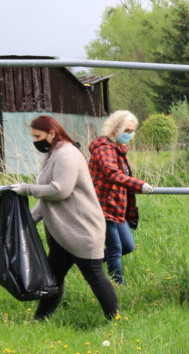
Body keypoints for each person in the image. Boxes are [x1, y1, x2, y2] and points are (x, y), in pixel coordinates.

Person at [10, 116, 119, 320]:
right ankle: (40, 319)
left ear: (52, 133)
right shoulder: (54, 154)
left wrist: (26, 189)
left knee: (95, 276)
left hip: (81, 230)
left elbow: (60, 190)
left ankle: (116, 319)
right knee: (54, 278)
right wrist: (28, 221)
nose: (35, 141)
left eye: (38, 136)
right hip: (63, 234)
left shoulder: (67, 154)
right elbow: (47, 200)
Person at [87, 110, 155, 284]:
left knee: (127, 246)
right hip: (103, 206)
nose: (130, 135)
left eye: (132, 131)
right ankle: (119, 286)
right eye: (127, 131)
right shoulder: (104, 149)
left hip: (117, 207)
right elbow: (112, 174)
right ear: (114, 129)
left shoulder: (118, 150)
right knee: (115, 248)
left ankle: (89, 264)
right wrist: (139, 185)